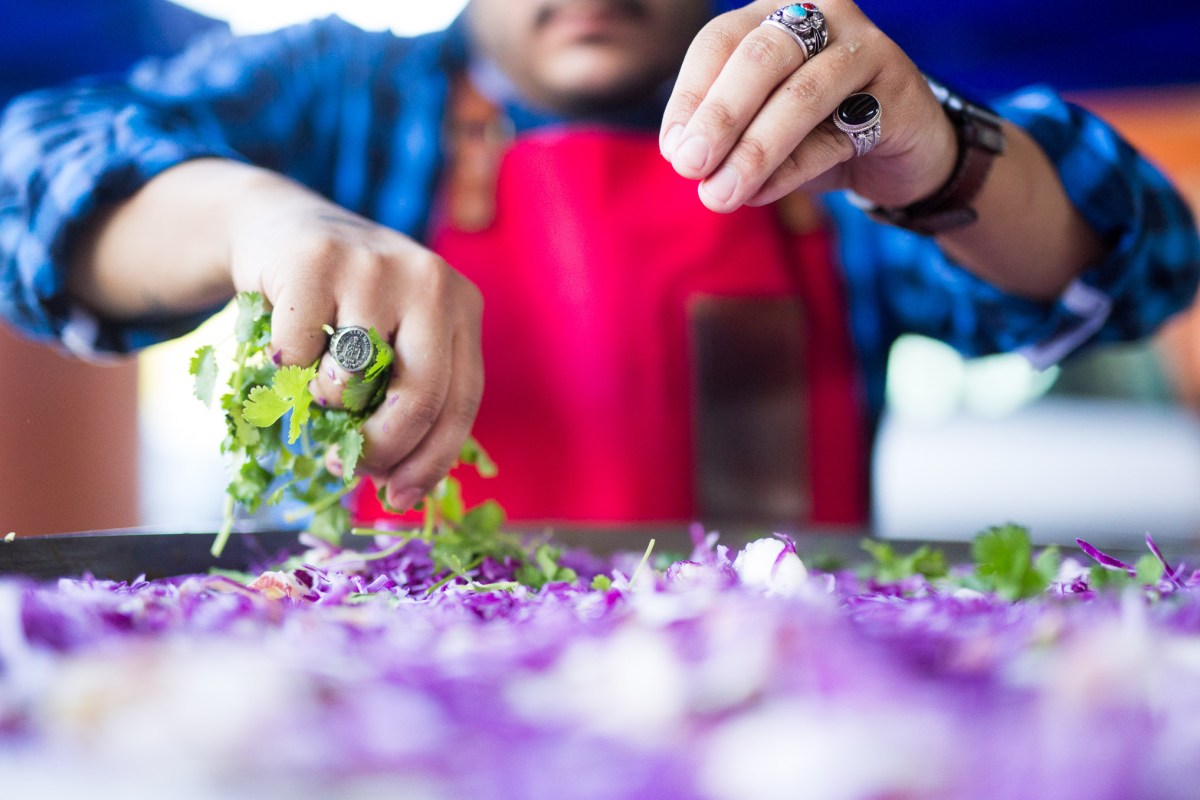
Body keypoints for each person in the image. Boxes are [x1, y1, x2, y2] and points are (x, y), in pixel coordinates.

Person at [1, 0, 1197, 530]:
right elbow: (35, 167)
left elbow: (1142, 269)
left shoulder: (828, 110)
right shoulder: (342, 96)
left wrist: (945, 153)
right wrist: (251, 217)